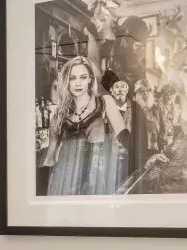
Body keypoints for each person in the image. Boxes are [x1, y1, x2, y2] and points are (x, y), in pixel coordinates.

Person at [43, 56, 127, 195]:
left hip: (95, 178)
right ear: (66, 81)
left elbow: (125, 137)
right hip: (64, 181)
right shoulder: (60, 113)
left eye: (83, 77)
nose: (78, 83)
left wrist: (147, 157)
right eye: (72, 78)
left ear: (90, 79)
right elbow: (50, 157)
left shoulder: (104, 102)